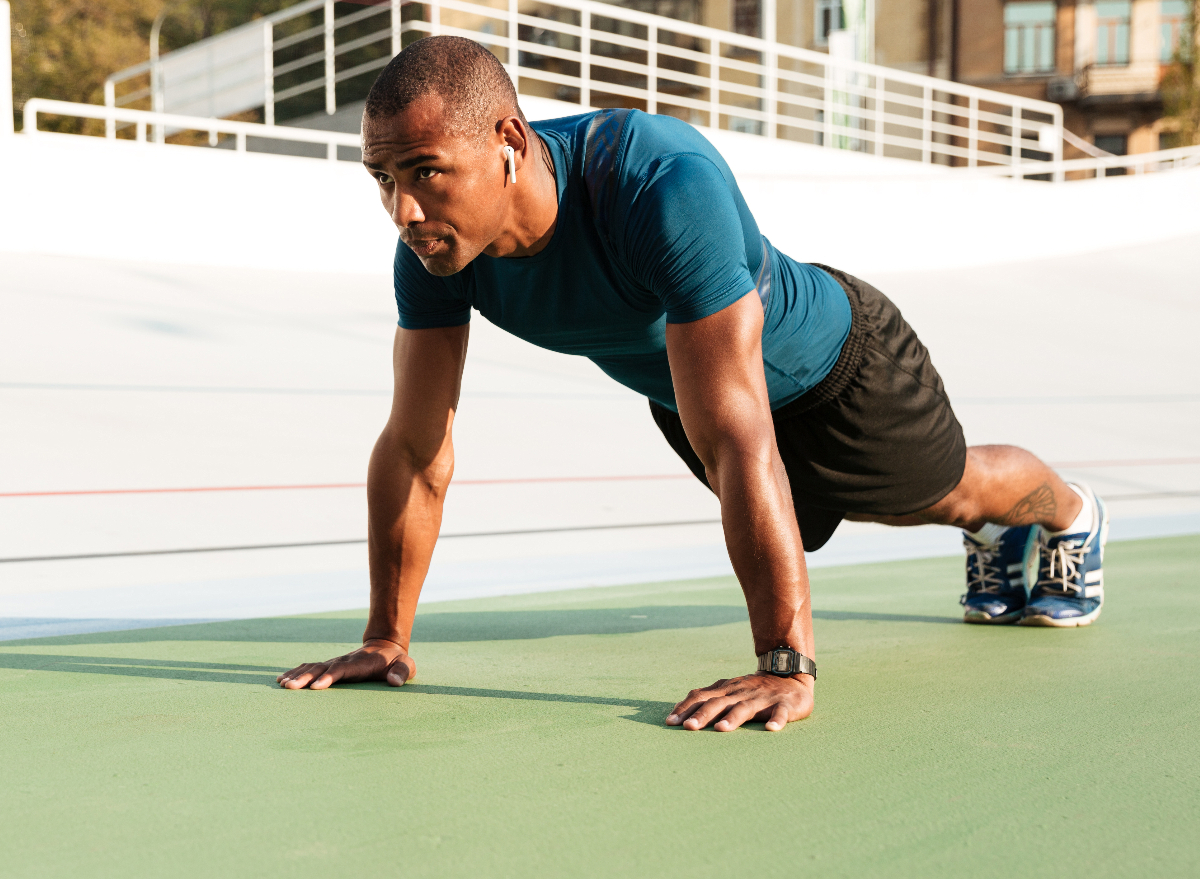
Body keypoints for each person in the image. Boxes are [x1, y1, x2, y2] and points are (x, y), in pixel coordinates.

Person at [277, 36, 1109, 731]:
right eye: (382, 180)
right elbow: (418, 448)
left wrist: (787, 667)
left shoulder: (658, 184)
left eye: (425, 172)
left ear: (508, 140)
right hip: (697, 395)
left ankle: (1068, 511)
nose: (402, 211)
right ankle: (1001, 541)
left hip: (839, 369)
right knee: (832, 495)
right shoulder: (434, 253)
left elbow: (741, 435)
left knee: (942, 495)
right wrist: (387, 635)